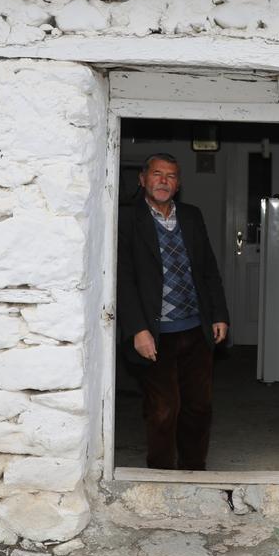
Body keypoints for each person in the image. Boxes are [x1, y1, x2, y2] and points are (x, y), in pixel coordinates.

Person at [116, 153, 229, 470]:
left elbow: (208, 269)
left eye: (171, 175)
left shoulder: (191, 216)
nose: (163, 180)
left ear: (178, 184)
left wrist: (219, 313)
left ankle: (194, 469)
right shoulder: (127, 219)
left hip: (196, 329)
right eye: (157, 174)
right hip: (155, 333)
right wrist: (138, 329)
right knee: (164, 409)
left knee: (199, 407)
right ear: (143, 179)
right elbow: (123, 278)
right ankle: (161, 474)